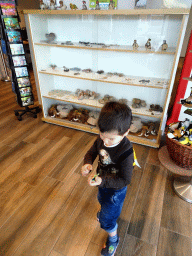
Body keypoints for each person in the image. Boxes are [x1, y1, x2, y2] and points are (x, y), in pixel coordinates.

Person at [81, 101, 134, 256]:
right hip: (102, 185)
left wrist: (103, 181)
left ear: (126, 133)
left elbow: (125, 179)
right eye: (102, 136)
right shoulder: (102, 139)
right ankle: (104, 212)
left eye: (111, 139)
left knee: (107, 221)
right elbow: (91, 152)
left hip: (115, 192)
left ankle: (113, 239)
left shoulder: (126, 152)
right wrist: (87, 163)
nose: (105, 142)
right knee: (101, 199)